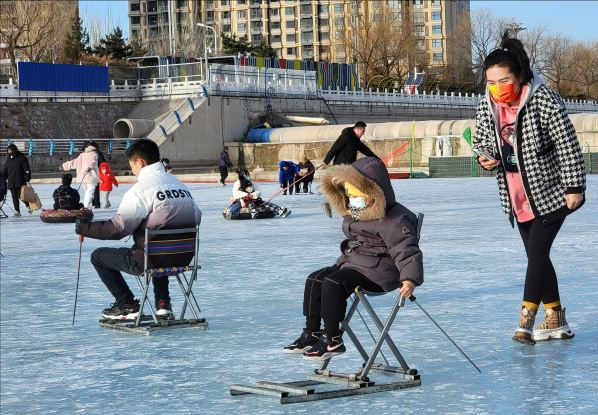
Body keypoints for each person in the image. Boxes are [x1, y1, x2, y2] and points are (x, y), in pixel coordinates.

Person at [473, 32, 586, 345]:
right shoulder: (487, 103)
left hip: (552, 191)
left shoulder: (542, 99)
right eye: (491, 82)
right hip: (516, 193)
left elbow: (568, 145)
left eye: (504, 80)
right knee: (537, 255)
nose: (497, 89)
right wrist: (486, 156)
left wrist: (574, 186)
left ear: (519, 75)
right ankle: (556, 317)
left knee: (537, 253)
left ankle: (526, 320)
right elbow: (482, 138)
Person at [283, 157, 423, 360]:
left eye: (356, 194)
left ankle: (333, 339)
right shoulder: (356, 212)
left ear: (374, 191)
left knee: (333, 283)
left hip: (381, 272)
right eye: (348, 193)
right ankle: (312, 332)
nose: (350, 198)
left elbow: (406, 249)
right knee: (315, 279)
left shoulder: (395, 219)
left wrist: (410, 278)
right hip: (354, 263)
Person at [75, 139, 202, 320]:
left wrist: (85, 228)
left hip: (150, 260)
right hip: (183, 257)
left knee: (99, 257)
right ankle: (163, 303)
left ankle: (126, 303)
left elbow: (118, 229)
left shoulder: (141, 190)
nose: (133, 171)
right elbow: (197, 217)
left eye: (132, 166)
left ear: (140, 162)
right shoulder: (179, 185)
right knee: (158, 245)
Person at [59, 144, 99, 209]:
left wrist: (64, 166)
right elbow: (92, 161)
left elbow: (74, 162)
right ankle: (86, 207)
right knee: (89, 192)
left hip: (83, 177)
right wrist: (89, 167)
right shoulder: (94, 154)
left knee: (87, 192)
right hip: (91, 176)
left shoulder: (82, 155)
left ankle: (89, 208)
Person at [2, 144, 32, 216]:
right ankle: (17, 211)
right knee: (14, 197)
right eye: (8, 150)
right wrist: (3, 178)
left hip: (20, 180)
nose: (9, 152)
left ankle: (28, 205)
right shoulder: (8, 159)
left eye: (10, 150)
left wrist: (27, 179)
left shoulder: (22, 158)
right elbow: (5, 170)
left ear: (14, 150)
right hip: (11, 181)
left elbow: (26, 169)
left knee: (21, 196)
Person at [88, 141, 106, 209]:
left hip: (95, 172)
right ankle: (94, 202)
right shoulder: (89, 153)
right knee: (92, 188)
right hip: (91, 172)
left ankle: (96, 203)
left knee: (95, 188)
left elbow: (103, 163)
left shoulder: (98, 153)